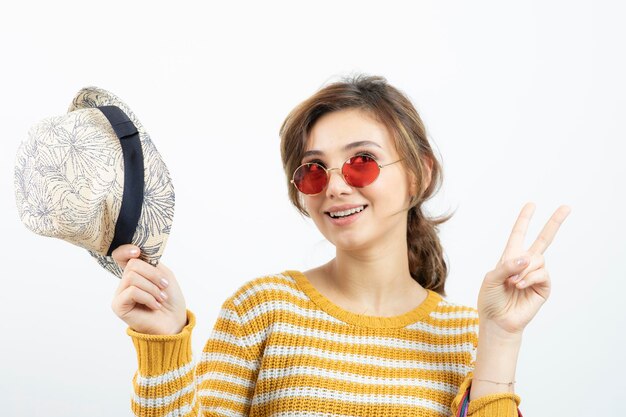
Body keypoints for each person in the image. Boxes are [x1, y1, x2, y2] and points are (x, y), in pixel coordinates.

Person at [111, 74, 570, 417]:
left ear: (419, 174)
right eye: (313, 169)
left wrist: (502, 339)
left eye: (362, 162)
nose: (335, 187)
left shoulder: (467, 337)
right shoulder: (261, 311)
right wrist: (162, 343)